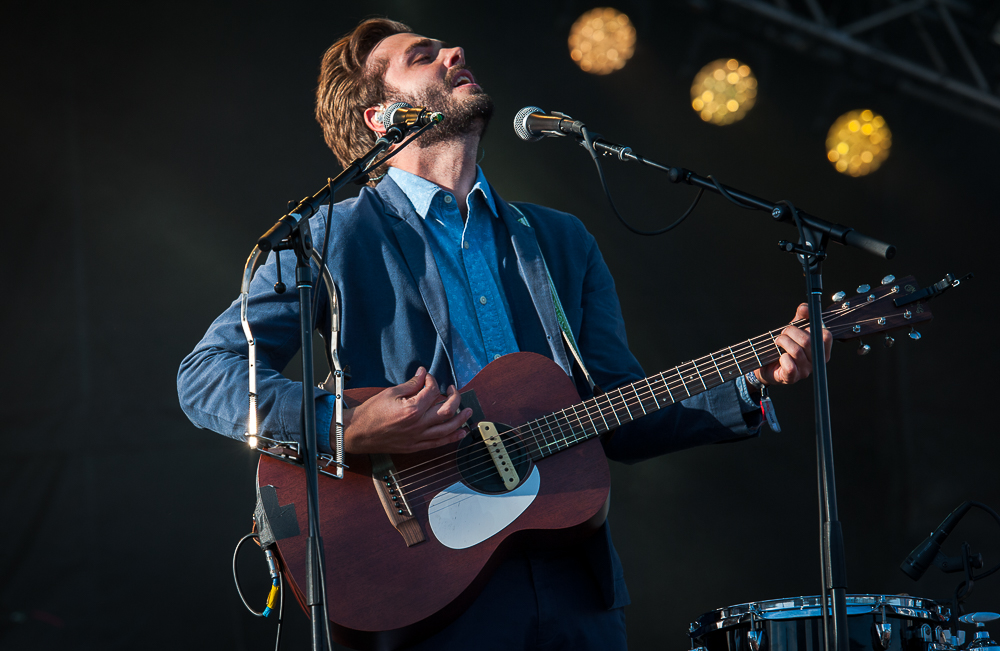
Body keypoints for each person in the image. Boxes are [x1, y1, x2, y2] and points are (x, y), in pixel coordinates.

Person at [177, 17, 832, 650]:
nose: (455, 53)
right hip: (423, 589)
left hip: (574, 584)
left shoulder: (560, 239)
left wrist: (750, 380)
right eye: (423, 55)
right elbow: (207, 375)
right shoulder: (330, 236)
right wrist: (343, 426)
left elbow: (620, 413)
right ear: (382, 118)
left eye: (446, 47)